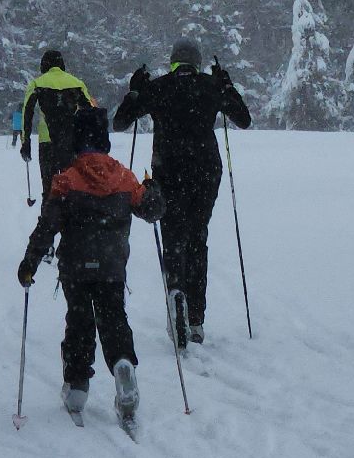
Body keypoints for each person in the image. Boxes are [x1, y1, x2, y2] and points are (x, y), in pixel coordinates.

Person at [18, 108, 166, 430]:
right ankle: (123, 362)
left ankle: (77, 386)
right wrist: (153, 189)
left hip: (76, 267)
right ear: (105, 140)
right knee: (114, 318)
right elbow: (152, 210)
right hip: (112, 266)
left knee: (80, 323)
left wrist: (30, 263)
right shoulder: (125, 178)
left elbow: (48, 226)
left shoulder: (66, 179)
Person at [112, 39, 253, 349]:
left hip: (168, 171)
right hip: (206, 171)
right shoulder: (210, 86)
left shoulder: (158, 88)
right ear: (198, 62)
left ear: (173, 61)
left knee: (174, 236)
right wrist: (225, 85)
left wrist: (136, 89)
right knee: (197, 237)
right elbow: (243, 119)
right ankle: (197, 318)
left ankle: (176, 291)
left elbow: (120, 122)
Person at [20, 50, 99, 199]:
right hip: (71, 143)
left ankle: (49, 217)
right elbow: (91, 113)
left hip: (47, 143)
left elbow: (27, 114)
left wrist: (26, 143)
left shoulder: (37, 83)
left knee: (49, 189)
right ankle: (71, 219)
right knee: (72, 187)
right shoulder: (77, 83)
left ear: (44, 65)